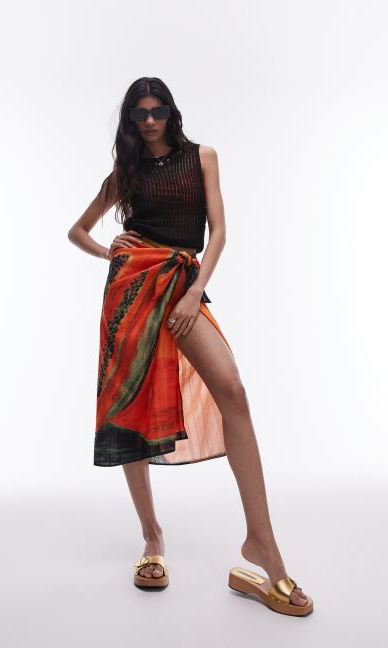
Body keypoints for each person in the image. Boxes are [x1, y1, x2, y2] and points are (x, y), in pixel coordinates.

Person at [67, 77, 313, 616]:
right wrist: (109, 249)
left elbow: (218, 232)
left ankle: (262, 544)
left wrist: (196, 290)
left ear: (171, 112)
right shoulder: (126, 173)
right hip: (131, 291)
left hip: (182, 284)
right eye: (139, 114)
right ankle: (152, 537)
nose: (149, 121)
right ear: (130, 121)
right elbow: (77, 231)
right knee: (132, 411)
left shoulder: (203, 157)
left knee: (233, 392)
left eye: (157, 111)